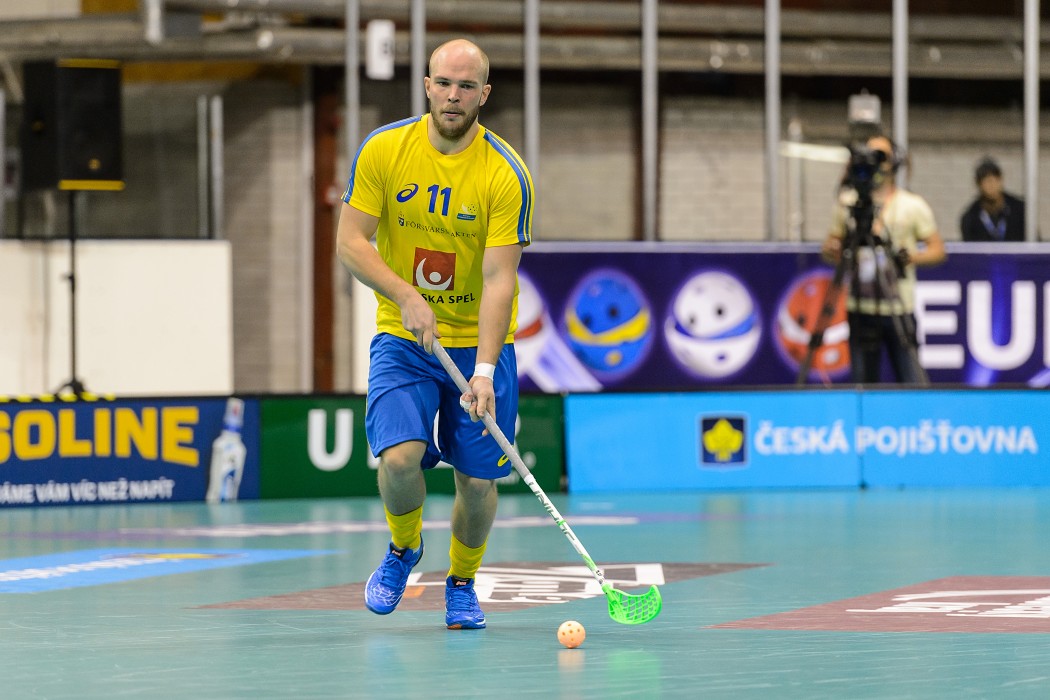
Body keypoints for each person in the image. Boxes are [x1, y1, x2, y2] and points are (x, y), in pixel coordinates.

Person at [336, 39, 533, 630]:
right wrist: (404, 294)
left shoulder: (505, 173)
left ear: (484, 95)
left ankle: (463, 581)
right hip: (404, 336)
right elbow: (350, 242)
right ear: (426, 85)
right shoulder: (385, 149)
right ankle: (403, 549)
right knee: (400, 458)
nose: (453, 95)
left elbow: (500, 279)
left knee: (477, 481)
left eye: (467, 86)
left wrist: (483, 371)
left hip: (478, 342)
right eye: (444, 83)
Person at [821, 135, 946, 384]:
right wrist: (836, 250)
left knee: (911, 379)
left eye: (881, 157)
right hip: (860, 307)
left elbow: (938, 250)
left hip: (898, 306)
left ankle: (917, 422)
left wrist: (911, 257)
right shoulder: (847, 204)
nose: (875, 163)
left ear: (894, 162)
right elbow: (829, 247)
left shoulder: (912, 205)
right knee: (863, 385)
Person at [959, 156, 1026, 242]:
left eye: (994, 180)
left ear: (1001, 180)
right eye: (986, 181)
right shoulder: (970, 218)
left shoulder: (1020, 210)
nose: (991, 186)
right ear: (978, 184)